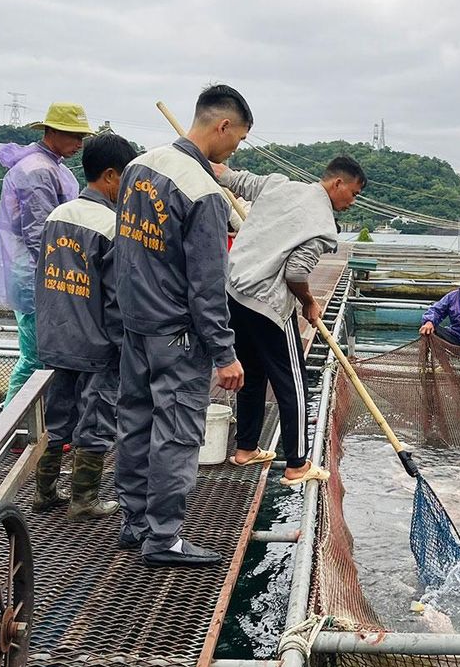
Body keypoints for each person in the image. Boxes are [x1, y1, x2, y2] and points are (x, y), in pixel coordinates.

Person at [114, 84, 250, 568]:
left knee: (134, 420)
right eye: (235, 142)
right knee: (176, 433)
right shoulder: (204, 193)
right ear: (223, 126)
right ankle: (164, 537)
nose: (232, 152)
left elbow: (123, 250)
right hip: (178, 333)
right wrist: (225, 353)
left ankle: (135, 522)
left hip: (134, 324)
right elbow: (207, 285)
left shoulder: (137, 168)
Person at [214, 156, 365, 486]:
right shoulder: (324, 226)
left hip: (232, 293)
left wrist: (214, 165)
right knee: (293, 384)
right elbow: (296, 272)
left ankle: (246, 448)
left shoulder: (278, 185)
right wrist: (309, 302)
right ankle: (298, 464)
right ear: (337, 183)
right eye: (352, 194)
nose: (351, 202)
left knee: (252, 373)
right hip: (267, 305)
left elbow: (234, 179)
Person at [33, 132, 138, 518]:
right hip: (96, 346)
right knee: (95, 419)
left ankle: (44, 492)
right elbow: (116, 298)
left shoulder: (56, 216)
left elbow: (41, 279)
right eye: (125, 178)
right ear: (110, 176)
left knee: (57, 418)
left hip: (56, 337)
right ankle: (84, 499)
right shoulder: (111, 226)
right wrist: (125, 348)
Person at [0, 102, 94, 404]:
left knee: (40, 353)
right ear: (52, 132)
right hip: (35, 272)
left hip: (39, 270)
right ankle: (12, 421)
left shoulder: (50, 166)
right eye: (74, 136)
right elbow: (39, 233)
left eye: (81, 137)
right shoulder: (37, 170)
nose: (79, 144)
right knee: (35, 355)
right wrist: (63, 274)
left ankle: (29, 419)